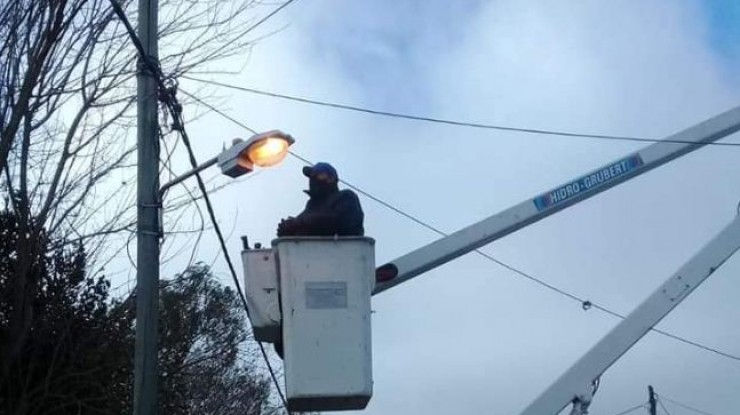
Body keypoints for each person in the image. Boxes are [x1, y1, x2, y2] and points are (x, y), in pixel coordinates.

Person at [277, 162, 364, 237]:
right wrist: (287, 229)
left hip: (344, 252)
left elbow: (336, 220)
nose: (312, 179)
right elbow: (303, 223)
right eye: (311, 176)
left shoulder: (346, 197)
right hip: (312, 254)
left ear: (331, 178)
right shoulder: (312, 205)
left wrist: (298, 223)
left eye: (317, 175)